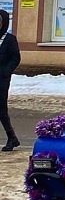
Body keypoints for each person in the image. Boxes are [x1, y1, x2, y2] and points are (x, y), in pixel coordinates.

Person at [0, 10, 21, 151]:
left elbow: (15, 58)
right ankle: (12, 138)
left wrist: (6, 71)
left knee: (1, 109)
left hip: (1, 79)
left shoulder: (9, 39)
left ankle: (12, 138)